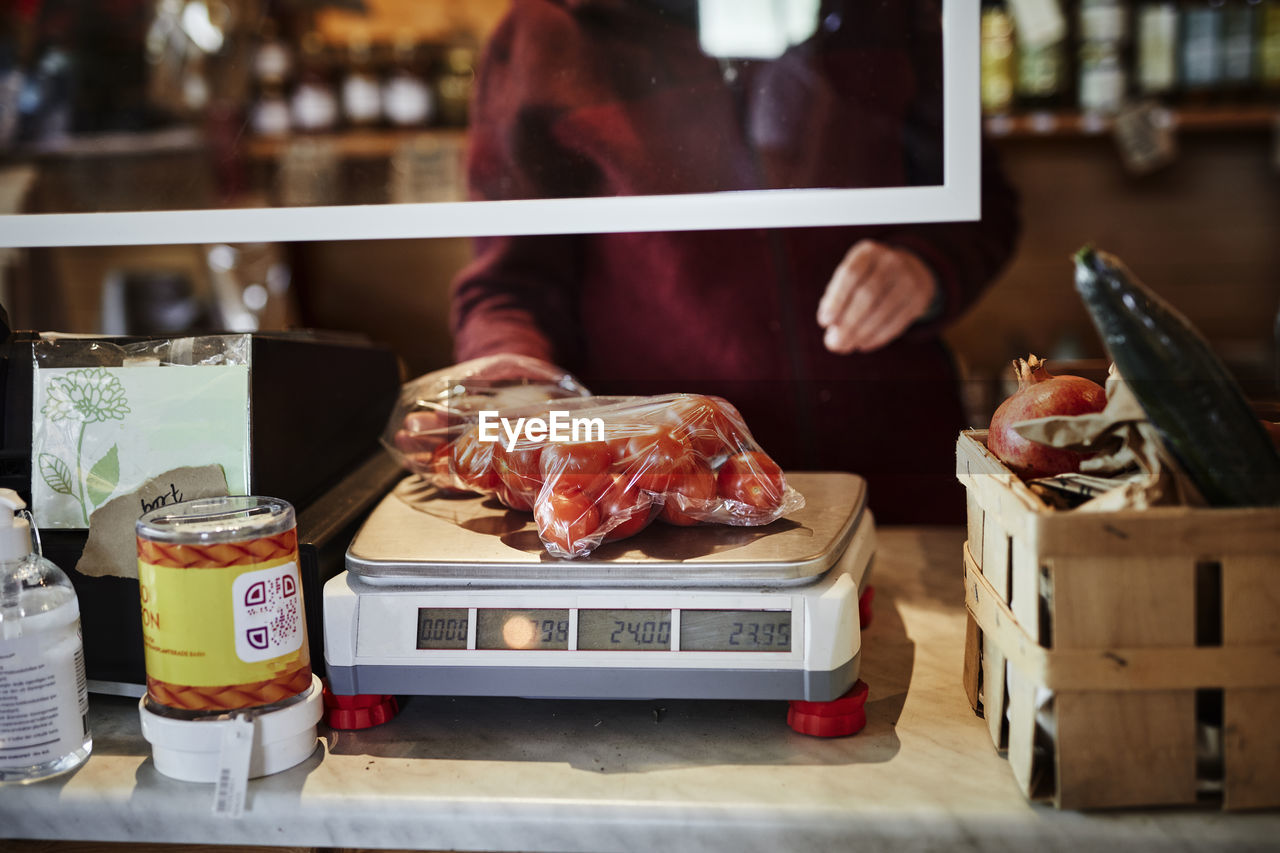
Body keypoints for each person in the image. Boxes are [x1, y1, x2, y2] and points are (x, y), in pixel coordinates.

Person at [449, 0, 1020, 524]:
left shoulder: (886, 12)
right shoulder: (548, 32)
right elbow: (509, 284)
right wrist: (517, 394)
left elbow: (982, 203)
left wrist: (924, 267)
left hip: (900, 478)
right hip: (663, 495)